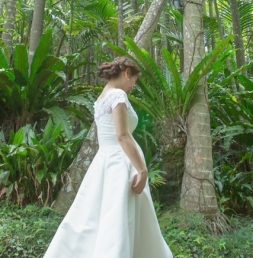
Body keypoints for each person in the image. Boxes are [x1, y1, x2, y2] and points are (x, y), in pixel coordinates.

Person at [44, 56, 173, 258]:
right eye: (134, 81)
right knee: (119, 217)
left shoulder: (101, 98)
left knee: (97, 217)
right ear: (126, 73)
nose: (132, 87)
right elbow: (122, 135)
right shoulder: (118, 95)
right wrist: (142, 168)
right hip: (121, 163)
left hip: (104, 162)